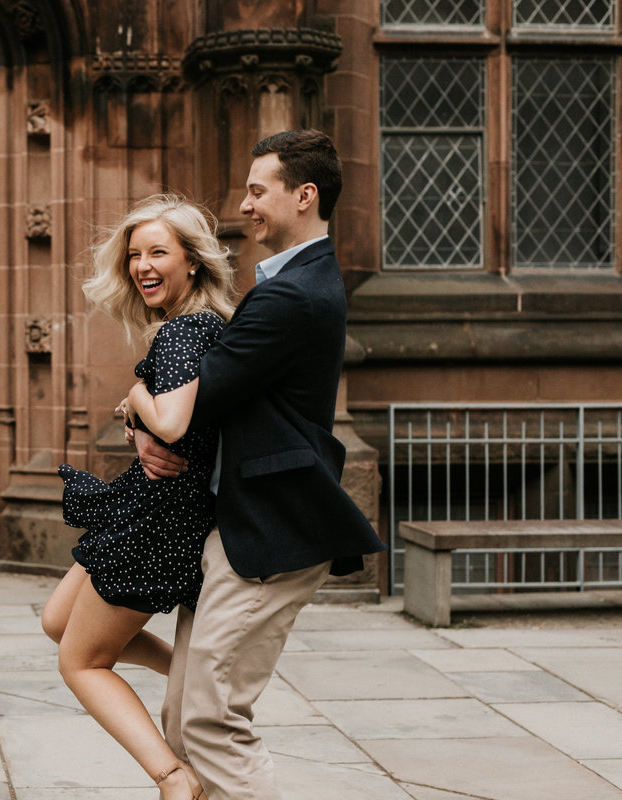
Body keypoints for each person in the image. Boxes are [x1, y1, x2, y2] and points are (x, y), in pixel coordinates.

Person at [132, 130, 388, 800]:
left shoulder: (289, 296)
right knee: (184, 720)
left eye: (256, 190)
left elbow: (191, 402)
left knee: (211, 721)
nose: (243, 205)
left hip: (270, 531)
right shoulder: (298, 282)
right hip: (246, 522)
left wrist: (135, 404)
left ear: (303, 196)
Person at [41, 194, 237, 800]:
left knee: (80, 662)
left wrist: (135, 394)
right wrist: (137, 414)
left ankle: (175, 779)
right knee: (57, 622)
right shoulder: (199, 329)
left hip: (159, 522)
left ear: (194, 263)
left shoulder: (184, 332)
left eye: (159, 252)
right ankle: (184, 670)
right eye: (134, 255)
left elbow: (174, 423)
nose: (143, 266)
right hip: (149, 507)